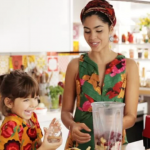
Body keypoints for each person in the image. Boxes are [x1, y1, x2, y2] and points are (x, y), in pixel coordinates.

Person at [61, 0, 139, 149]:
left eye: (99, 30)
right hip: (80, 144)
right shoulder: (75, 65)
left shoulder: (129, 66)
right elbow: (65, 111)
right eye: (87, 30)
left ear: (111, 29)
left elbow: (131, 116)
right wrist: (72, 125)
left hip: (114, 144)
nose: (92, 37)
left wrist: (112, 125)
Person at [0, 70, 62, 150]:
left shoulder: (32, 117)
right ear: (9, 102)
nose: (33, 104)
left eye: (35, 98)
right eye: (26, 100)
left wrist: (50, 138)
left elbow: (38, 146)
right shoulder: (9, 127)